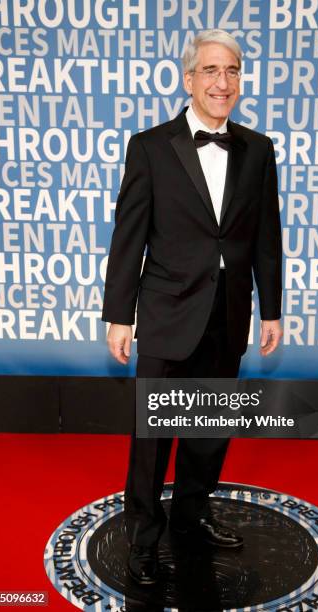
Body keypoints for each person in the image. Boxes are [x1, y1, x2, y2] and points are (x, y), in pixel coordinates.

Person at [102, 29, 283, 586]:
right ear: (188, 79)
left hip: (228, 315)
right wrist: (119, 312)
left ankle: (191, 515)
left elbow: (265, 238)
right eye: (210, 71)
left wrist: (270, 309)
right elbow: (128, 235)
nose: (222, 82)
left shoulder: (258, 149)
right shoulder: (151, 147)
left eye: (231, 71)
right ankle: (144, 537)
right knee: (154, 438)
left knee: (208, 429)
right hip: (166, 314)